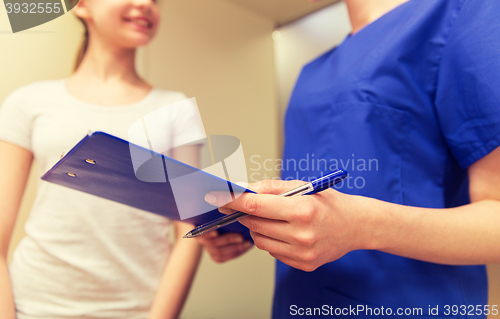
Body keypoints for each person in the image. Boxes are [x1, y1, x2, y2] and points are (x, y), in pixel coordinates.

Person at [199, 0, 500, 317]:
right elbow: (312, 204)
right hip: (298, 302)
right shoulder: (311, 72)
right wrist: (248, 224)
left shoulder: (462, 13)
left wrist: (363, 226)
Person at [0, 0, 204, 318]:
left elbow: (191, 232)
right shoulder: (27, 101)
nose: (145, 5)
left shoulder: (177, 109)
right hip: (34, 305)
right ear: (81, 5)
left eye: (155, 0)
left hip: (138, 310)